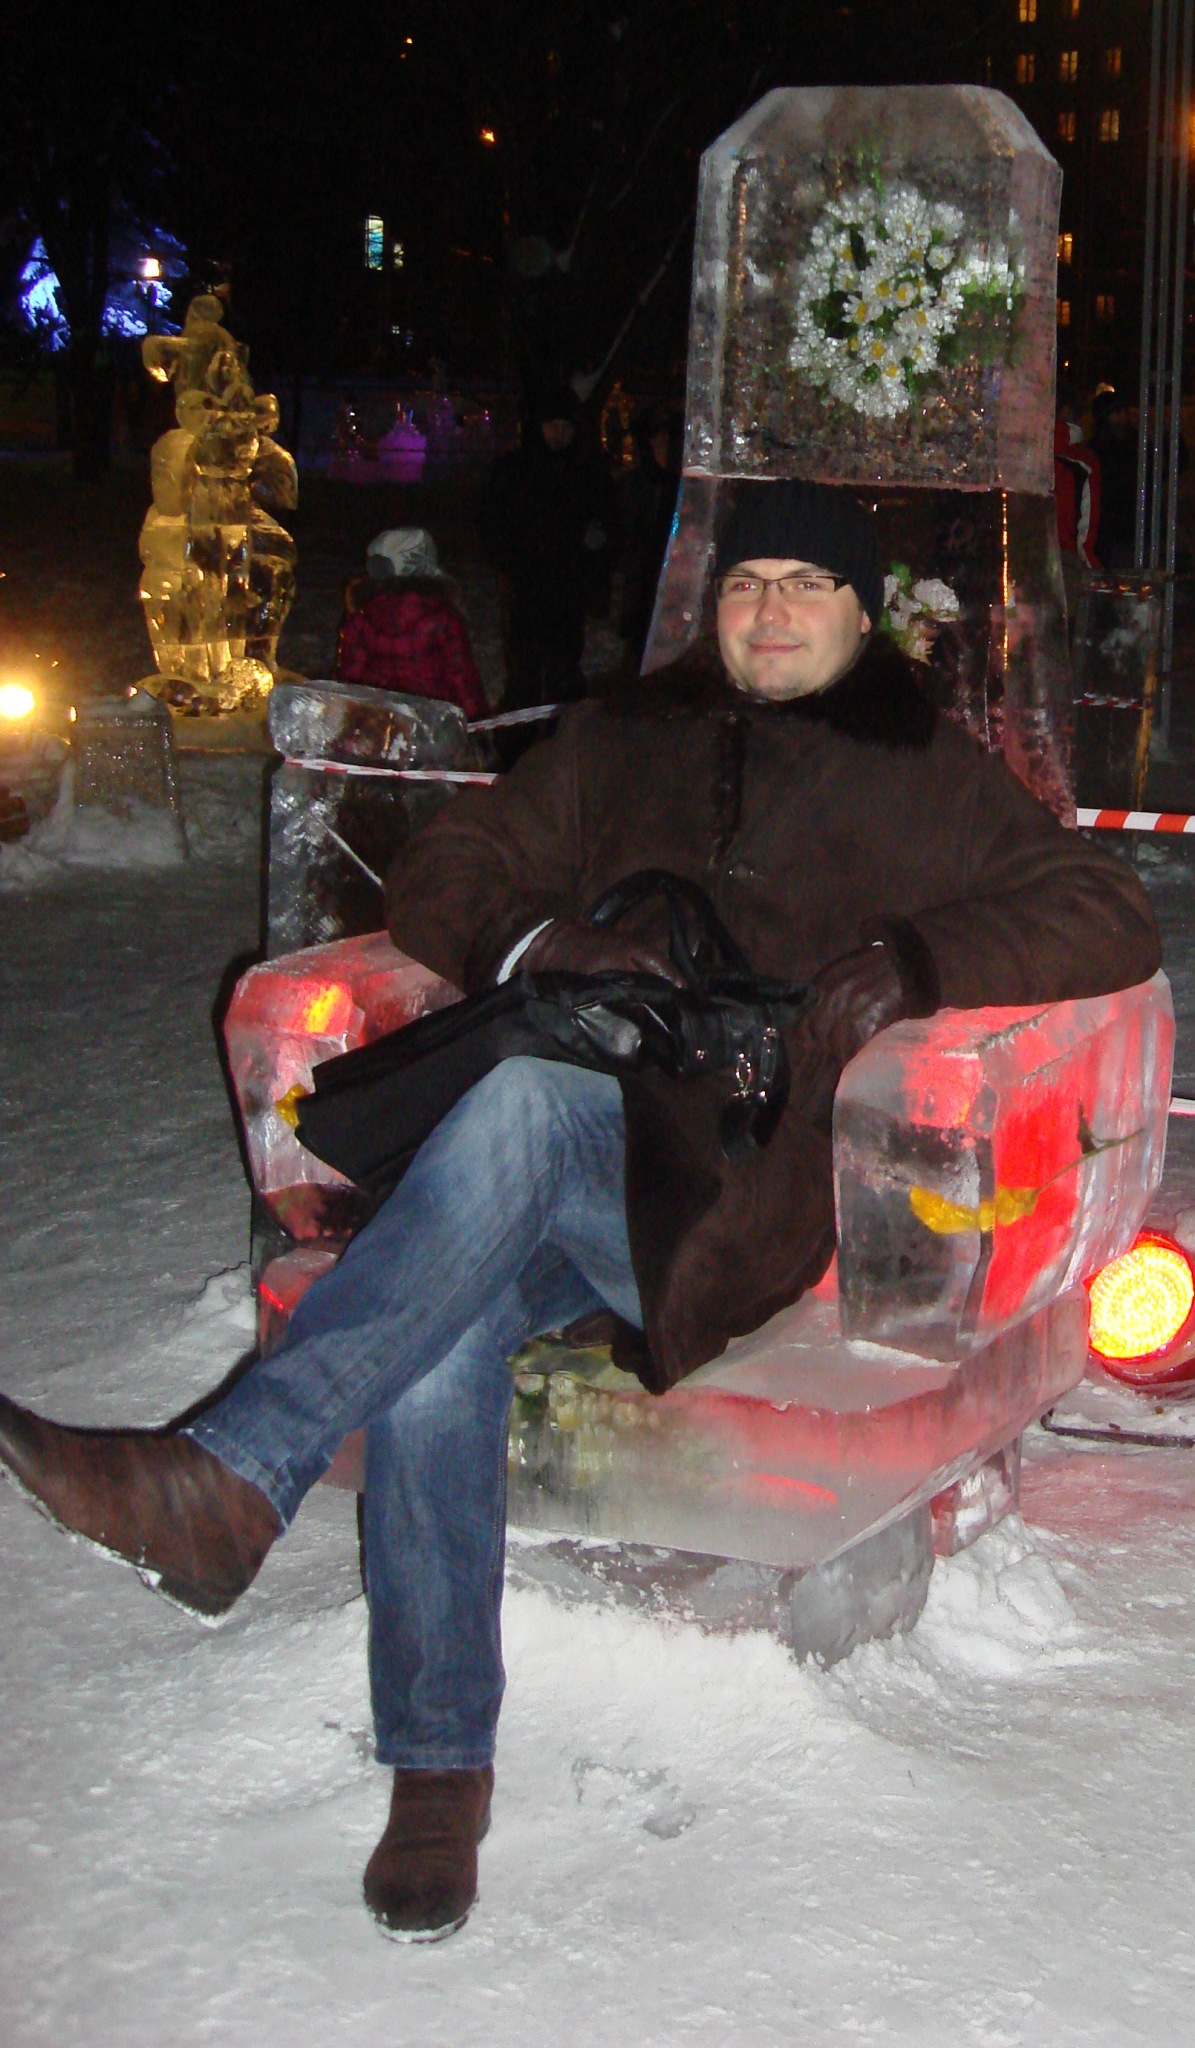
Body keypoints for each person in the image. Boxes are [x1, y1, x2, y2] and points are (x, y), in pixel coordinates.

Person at [0, 481, 1159, 1945]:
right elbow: (450, 864)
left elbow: (1103, 908)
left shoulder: (922, 770)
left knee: (523, 1107)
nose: (770, 611)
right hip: (558, 1183)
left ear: (861, 617)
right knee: (446, 1318)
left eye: (805, 585)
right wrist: (541, 938)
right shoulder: (622, 739)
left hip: (745, 1200)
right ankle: (438, 1769)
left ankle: (233, 1479)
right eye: (746, 584)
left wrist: (916, 962)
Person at [479, 386, 618, 711]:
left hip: (569, 587)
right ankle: (521, 734)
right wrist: (508, 560)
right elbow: (491, 521)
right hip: (526, 586)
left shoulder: (586, 472)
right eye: (552, 425)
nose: (559, 434)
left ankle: (562, 731)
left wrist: (596, 551)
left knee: (564, 668)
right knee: (524, 668)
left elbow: (610, 522)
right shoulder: (514, 470)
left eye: (566, 426)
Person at [336, 527, 488, 723]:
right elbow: (462, 676)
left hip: (381, 722)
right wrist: (478, 720)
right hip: (433, 722)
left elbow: (350, 677)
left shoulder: (362, 617)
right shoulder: (442, 617)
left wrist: (346, 719)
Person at [618, 402, 683, 668]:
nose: (667, 447)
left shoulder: (684, 487)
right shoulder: (638, 485)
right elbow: (627, 539)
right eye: (660, 439)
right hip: (646, 589)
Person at [1054, 382, 1102, 628]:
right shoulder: (1083, 461)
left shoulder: (1023, 450)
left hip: (1020, 560)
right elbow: (1086, 528)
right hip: (1065, 563)